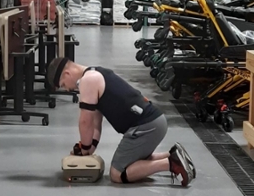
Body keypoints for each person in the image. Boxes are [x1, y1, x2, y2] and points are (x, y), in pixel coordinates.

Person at [47, 57, 196, 186]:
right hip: (154, 122)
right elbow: (95, 124)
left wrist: (84, 147)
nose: (67, 89)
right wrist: (88, 147)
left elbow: (85, 122)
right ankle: (172, 155)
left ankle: (170, 164)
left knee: (118, 174)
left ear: (67, 74)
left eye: (63, 84)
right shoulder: (95, 73)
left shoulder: (88, 80)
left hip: (145, 126)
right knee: (133, 161)